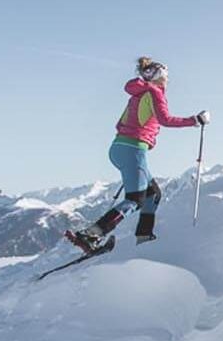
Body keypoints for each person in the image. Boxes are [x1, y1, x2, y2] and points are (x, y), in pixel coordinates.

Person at [67, 57, 208, 253]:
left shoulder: (138, 94)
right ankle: (91, 235)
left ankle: (144, 236)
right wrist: (195, 120)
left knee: (153, 194)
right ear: (159, 77)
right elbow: (165, 120)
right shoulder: (154, 92)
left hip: (120, 148)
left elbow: (121, 123)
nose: (168, 81)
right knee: (135, 199)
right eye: (166, 77)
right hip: (132, 150)